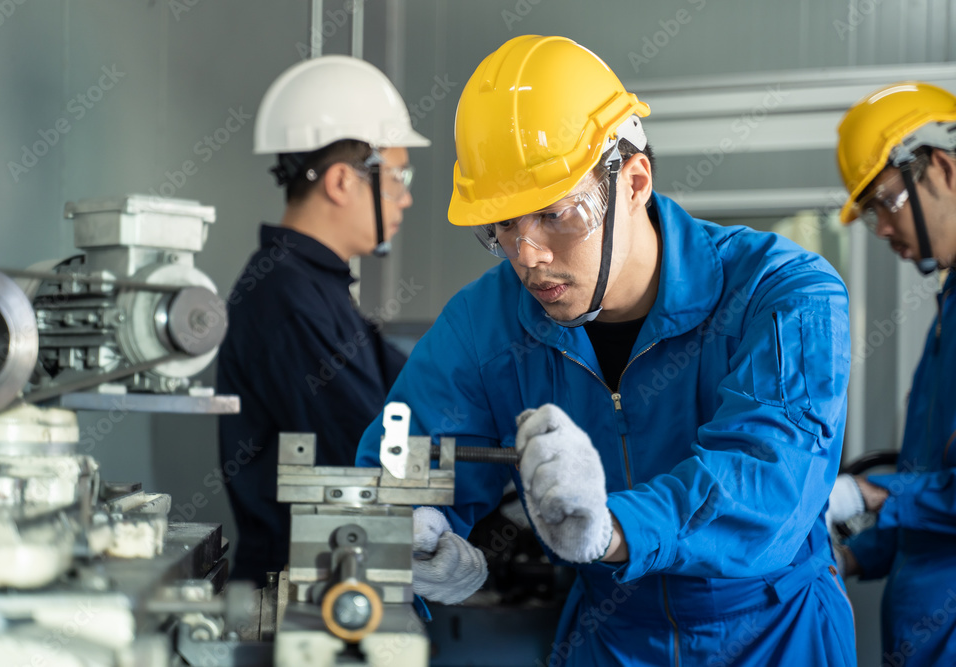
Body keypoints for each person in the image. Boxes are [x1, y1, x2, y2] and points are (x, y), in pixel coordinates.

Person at [355, 35, 856, 665]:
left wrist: (614, 527)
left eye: (555, 214)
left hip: (776, 635)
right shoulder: (485, 324)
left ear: (635, 180)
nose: (528, 256)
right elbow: (403, 459)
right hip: (611, 637)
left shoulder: (783, 293)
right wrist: (413, 533)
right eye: (503, 227)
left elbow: (771, 481)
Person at [217, 55, 429, 586]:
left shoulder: (315, 286)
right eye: (398, 175)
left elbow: (410, 385)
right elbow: (368, 446)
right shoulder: (288, 298)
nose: (405, 196)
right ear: (340, 182)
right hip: (301, 592)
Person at [833, 81, 956, 667]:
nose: (880, 228)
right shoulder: (948, 309)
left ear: (942, 169)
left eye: (885, 200)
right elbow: (933, 497)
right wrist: (851, 557)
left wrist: (871, 493)